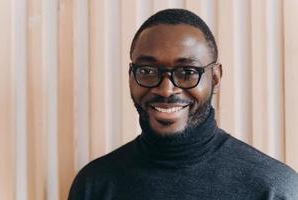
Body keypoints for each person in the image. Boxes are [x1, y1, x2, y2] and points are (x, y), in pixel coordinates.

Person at [68, 9, 298, 200]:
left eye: (187, 72)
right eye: (148, 71)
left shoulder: (272, 189)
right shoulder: (94, 185)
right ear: (131, 75)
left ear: (215, 78)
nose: (166, 89)